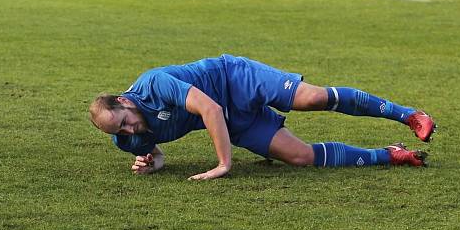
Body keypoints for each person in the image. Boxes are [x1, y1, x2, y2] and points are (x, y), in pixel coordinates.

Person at [89, 54, 436, 180]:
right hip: (233, 122)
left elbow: (209, 109)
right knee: (301, 158)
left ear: (123, 100)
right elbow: (154, 149)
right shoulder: (126, 139)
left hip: (233, 80)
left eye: (124, 120)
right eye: (118, 131)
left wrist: (224, 164)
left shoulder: (154, 84)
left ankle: (410, 115)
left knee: (313, 97)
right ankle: (391, 154)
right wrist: (154, 162)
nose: (128, 129)